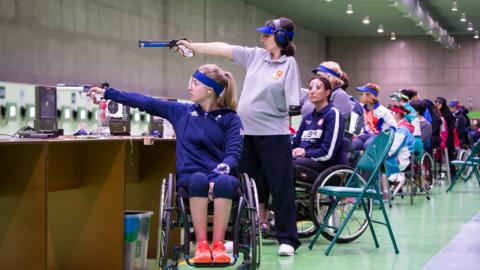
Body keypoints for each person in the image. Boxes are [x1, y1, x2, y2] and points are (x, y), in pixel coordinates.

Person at [88, 64, 243, 264]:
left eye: (195, 83)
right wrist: (109, 93)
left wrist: (214, 178)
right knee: (198, 180)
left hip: (221, 176)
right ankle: (202, 245)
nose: (190, 87)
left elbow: (233, 155)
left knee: (223, 182)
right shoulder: (182, 112)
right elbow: (146, 102)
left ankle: (219, 245)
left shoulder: (231, 119)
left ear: (210, 90)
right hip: (192, 177)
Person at [177, 17, 301, 255]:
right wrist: (194, 46)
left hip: (274, 135)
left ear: (282, 38)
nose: (262, 37)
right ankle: (242, 236)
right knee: (243, 185)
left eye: (268, 34)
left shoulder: (289, 65)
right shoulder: (255, 56)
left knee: (280, 186)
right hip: (247, 133)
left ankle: (288, 239)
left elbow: (292, 103)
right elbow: (224, 48)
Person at [292, 75, 346, 183]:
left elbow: (328, 154)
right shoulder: (307, 117)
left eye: (317, 87)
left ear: (327, 92)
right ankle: (262, 200)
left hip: (324, 167)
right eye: (310, 88)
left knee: (287, 163)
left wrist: (304, 153)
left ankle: (286, 200)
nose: (312, 91)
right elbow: (296, 143)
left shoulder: (333, 114)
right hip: (304, 160)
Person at [352, 83, 397, 151]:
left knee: (368, 145)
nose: (360, 96)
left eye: (362, 94)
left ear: (369, 95)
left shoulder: (384, 111)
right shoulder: (361, 108)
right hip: (363, 136)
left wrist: (384, 138)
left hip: (377, 137)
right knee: (349, 145)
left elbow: (394, 126)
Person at [385, 105, 416, 196]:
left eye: (392, 112)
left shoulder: (402, 129)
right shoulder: (397, 127)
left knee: (375, 165)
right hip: (397, 158)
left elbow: (393, 148)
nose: (390, 114)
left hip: (400, 161)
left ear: (398, 114)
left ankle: (381, 194)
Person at [435, 97, 457, 178]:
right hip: (440, 138)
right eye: (436, 103)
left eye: (439, 103)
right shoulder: (438, 113)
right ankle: (441, 172)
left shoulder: (448, 114)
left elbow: (452, 126)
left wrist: (446, 135)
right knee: (439, 157)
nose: (437, 104)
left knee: (450, 156)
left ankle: (453, 173)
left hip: (448, 138)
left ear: (443, 104)